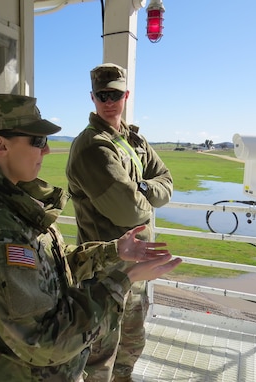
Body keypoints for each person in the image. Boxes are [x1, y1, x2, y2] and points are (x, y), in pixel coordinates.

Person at [0, 94, 181, 381]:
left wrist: (113, 252)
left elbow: (50, 266)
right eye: (38, 141)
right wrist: (123, 281)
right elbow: (44, 342)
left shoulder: (11, 204)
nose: (47, 151)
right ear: (1, 145)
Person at [65, 63, 174, 382]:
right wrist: (146, 195)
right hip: (105, 272)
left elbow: (166, 181)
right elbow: (132, 213)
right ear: (92, 97)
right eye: (102, 94)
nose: (108, 100)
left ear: (126, 95)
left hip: (135, 270)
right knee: (101, 359)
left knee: (130, 347)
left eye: (114, 93)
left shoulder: (132, 141)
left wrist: (141, 187)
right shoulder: (93, 147)